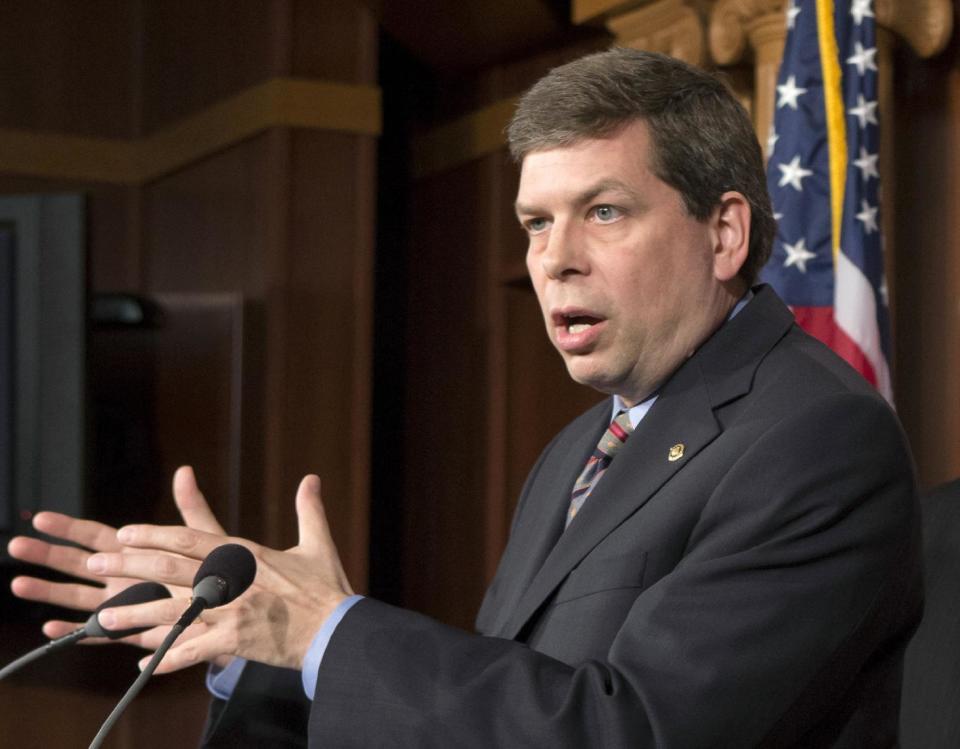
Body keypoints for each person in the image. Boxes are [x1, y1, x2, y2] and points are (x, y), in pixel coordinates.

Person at [8, 48, 921, 747]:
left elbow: (628, 731)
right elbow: (505, 716)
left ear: (724, 233)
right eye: (535, 222)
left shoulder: (814, 436)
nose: (553, 258)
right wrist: (267, 646)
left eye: (603, 211)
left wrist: (331, 631)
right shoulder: (582, 448)